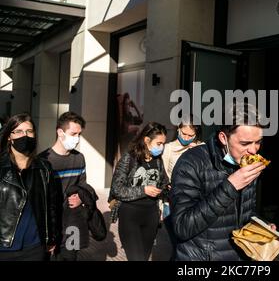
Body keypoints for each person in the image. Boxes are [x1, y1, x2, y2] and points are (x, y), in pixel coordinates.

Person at [170, 103, 270, 261]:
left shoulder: (247, 163)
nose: (253, 150)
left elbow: (245, 213)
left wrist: (262, 227)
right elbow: (182, 227)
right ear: (223, 138)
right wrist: (230, 186)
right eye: (245, 143)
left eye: (258, 142)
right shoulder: (191, 163)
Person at [39, 111, 98, 261]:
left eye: (79, 134)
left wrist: (81, 198)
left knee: (70, 258)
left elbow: (83, 185)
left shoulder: (79, 158)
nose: (77, 139)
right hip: (51, 224)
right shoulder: (43, 161)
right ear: (60, 132)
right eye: (73, 134)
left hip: (73, 224)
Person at [0, 113, 59, 261]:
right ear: (9, 136)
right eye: (18, 131)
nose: (24, 136)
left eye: (29, 131)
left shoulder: (44, 168)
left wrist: (51, 237)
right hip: (4, 247)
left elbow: (52, 206)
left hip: (34, 246)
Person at [110, 121, 169, 261]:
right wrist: (144, 190)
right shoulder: (129, 158)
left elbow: (163, 183)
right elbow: (116, 189)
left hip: (151, 216)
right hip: (130, 216)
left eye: (163, 144)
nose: (162, 147)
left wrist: (166, 189)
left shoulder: (158, 160)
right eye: (159, 143)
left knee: (144, 257)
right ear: (146, 140)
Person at [158, 115, 202, 260]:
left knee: (185, 246)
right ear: (178, 130)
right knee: (178, 244)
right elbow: (161, 177)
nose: (187, 137)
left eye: (191, 135)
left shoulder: (201, 148)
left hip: (195, 204)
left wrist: (197, 151)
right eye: (184, 133)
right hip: (171, 203)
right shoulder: (168, 149)